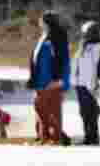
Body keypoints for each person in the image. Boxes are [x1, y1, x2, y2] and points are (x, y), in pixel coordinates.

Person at [30, 11, 71, 144]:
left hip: (52, 81)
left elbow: (61, 59)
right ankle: (45, 137)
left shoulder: (57, 36)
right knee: (43, 109)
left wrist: (58, 80)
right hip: (41, 80)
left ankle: (57, 137)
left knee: (49, 109)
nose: (39, 22)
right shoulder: (44, 36)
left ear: (47, 22)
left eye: (42, 20)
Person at [73, 20, 100, 145]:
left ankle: (92, 137)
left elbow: (96, 68)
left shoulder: (96, 48)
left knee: (90, 112)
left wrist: (93, 84)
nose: (83, 36)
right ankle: (88, 136)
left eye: (85, 33)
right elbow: (77, 64)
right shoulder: (84, 47)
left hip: (89, 85)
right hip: (81, 84)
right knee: (84, 112)